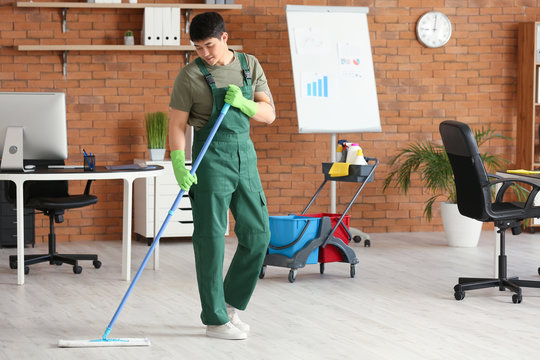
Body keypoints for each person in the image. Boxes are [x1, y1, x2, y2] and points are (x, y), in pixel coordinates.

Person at [168, 12, 276, 340]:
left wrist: (244, 104)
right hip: (209, 158)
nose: (205, 53)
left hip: (245, 157)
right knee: (211, 240)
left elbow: (269, 115)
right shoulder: (189, 76)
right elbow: (176, 125)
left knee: (258, 235)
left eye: (210, 45)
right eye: (198, 48)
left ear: (225, 38)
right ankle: (215, 320)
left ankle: (229, 304)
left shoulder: (249, 64)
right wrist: (178, 165)